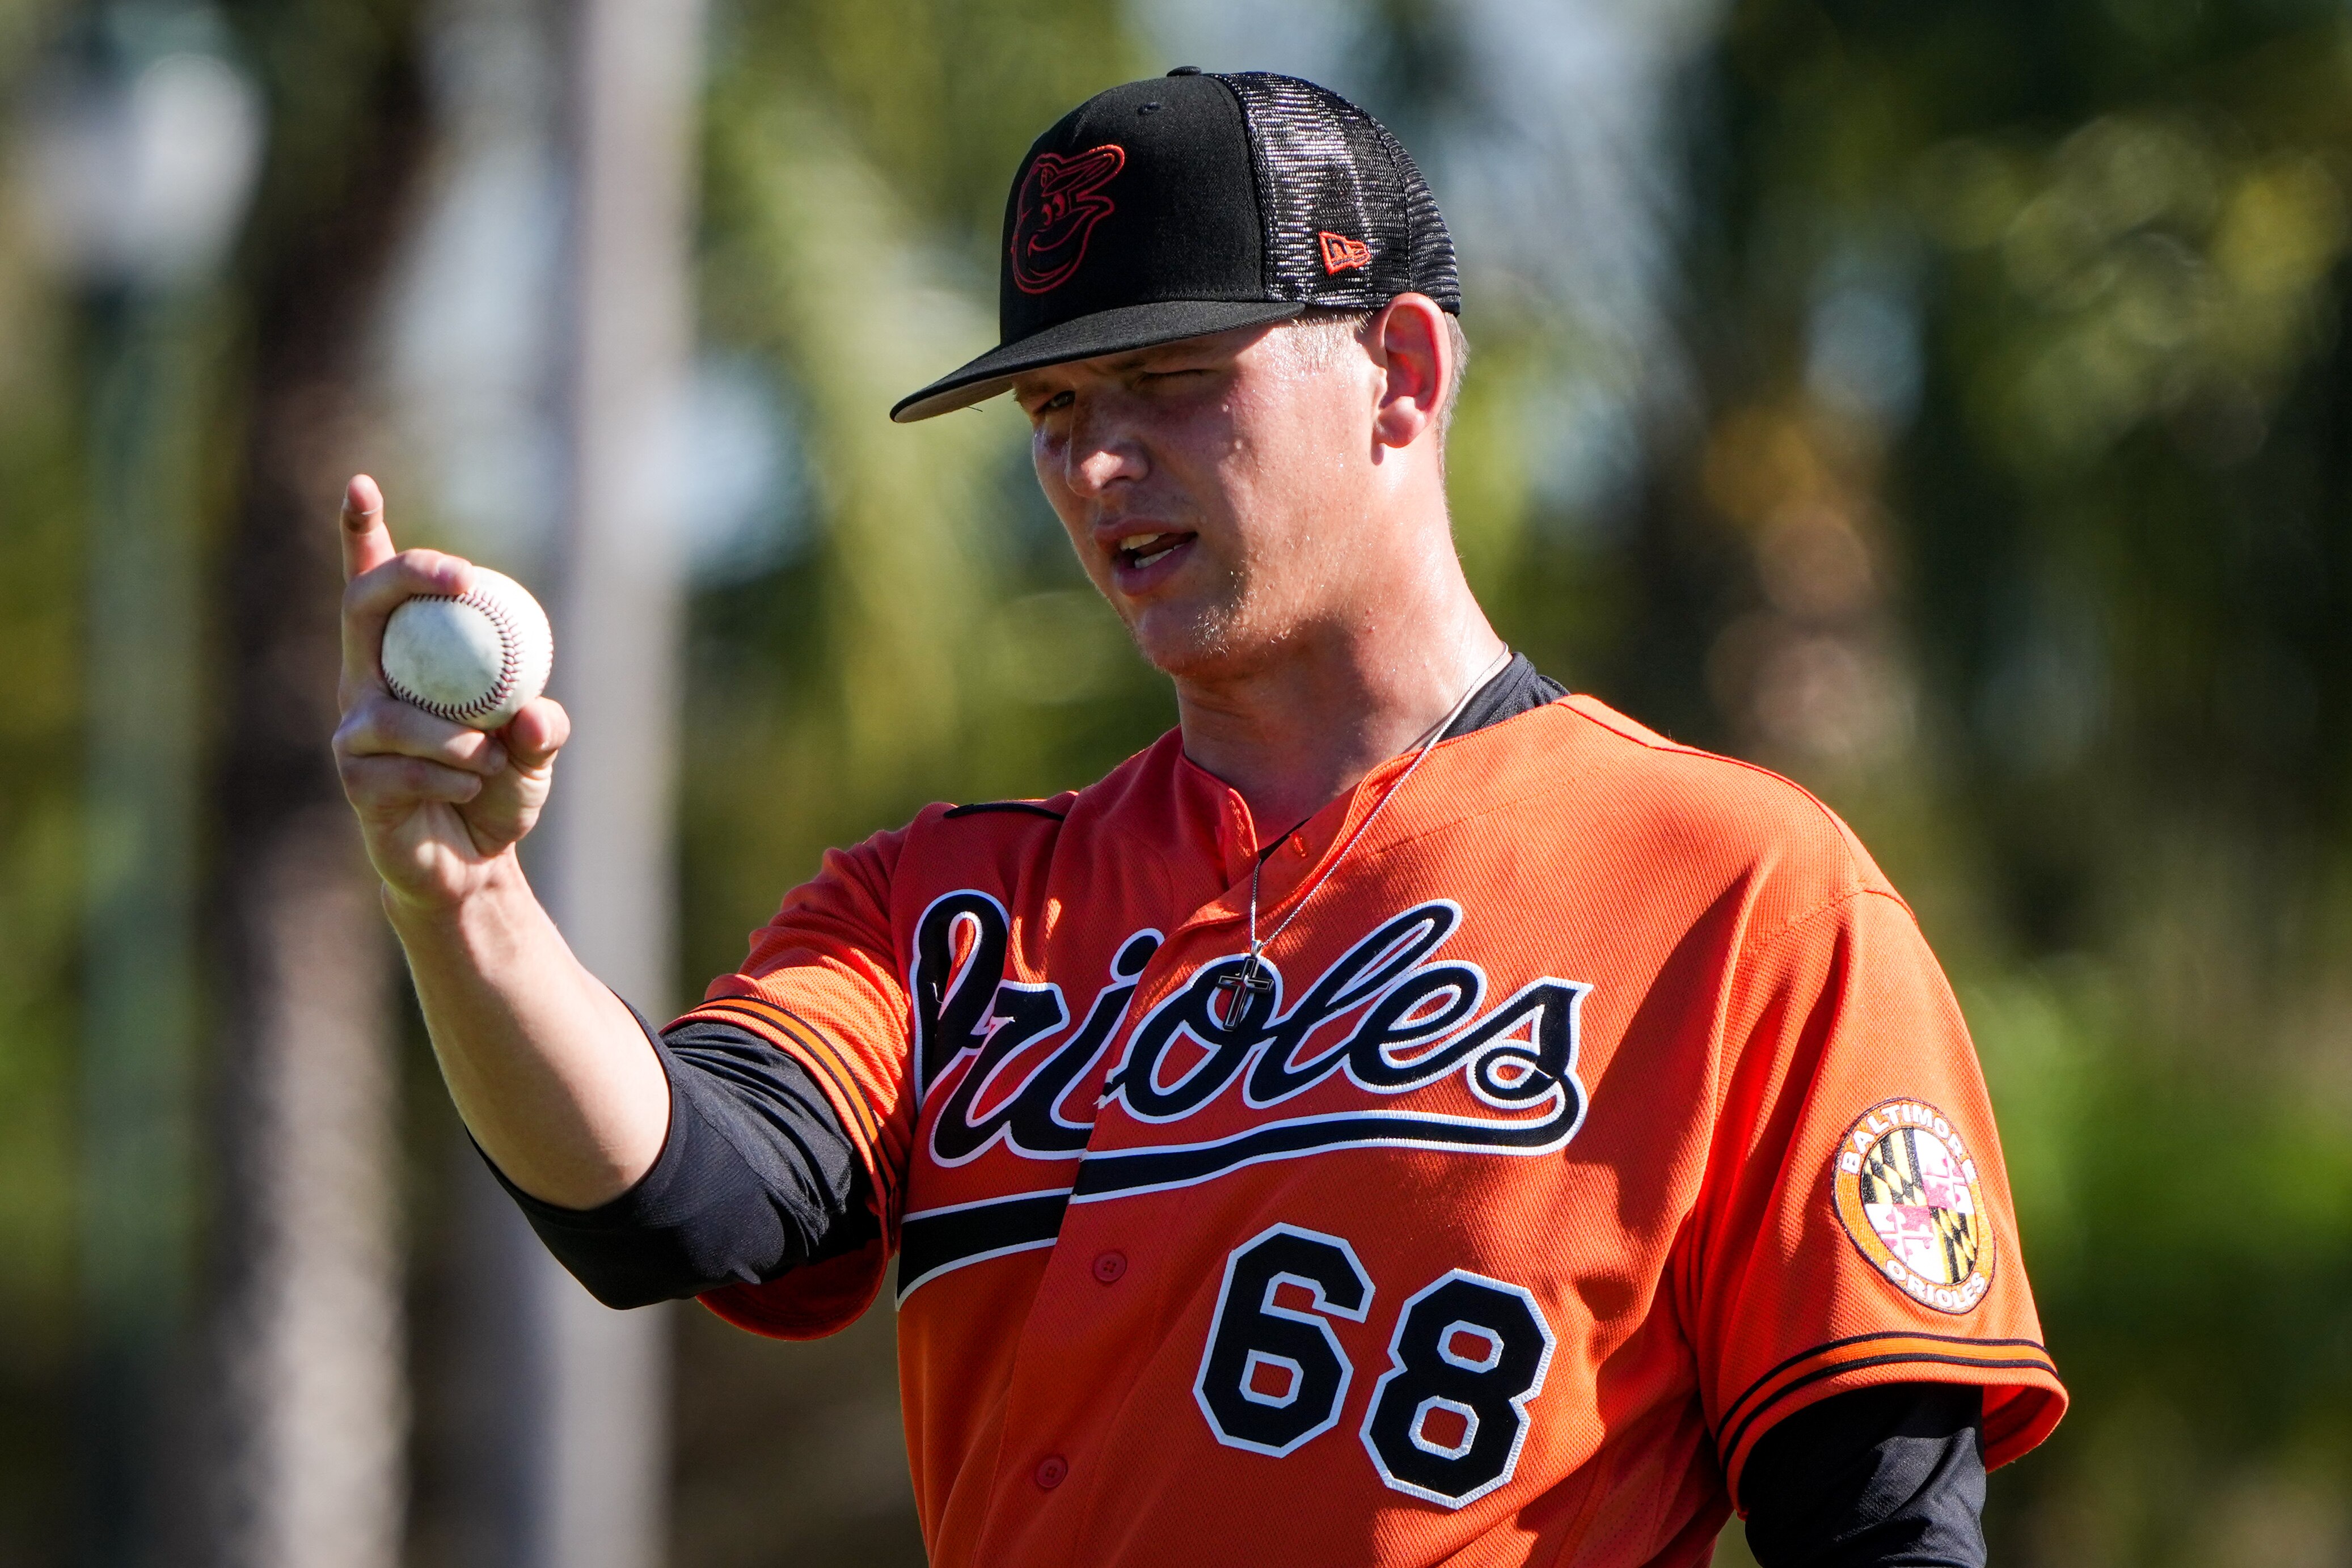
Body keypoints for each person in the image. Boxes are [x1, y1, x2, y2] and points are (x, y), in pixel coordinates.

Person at [333, 69, 2063, 1568]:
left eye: (1167, 375)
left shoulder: (1735, 893)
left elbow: (1882, 1527)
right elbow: (673, 1203)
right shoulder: (950, 910)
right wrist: (465, 902)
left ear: (1398, 371)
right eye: (1056, 410)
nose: (1094, 464)